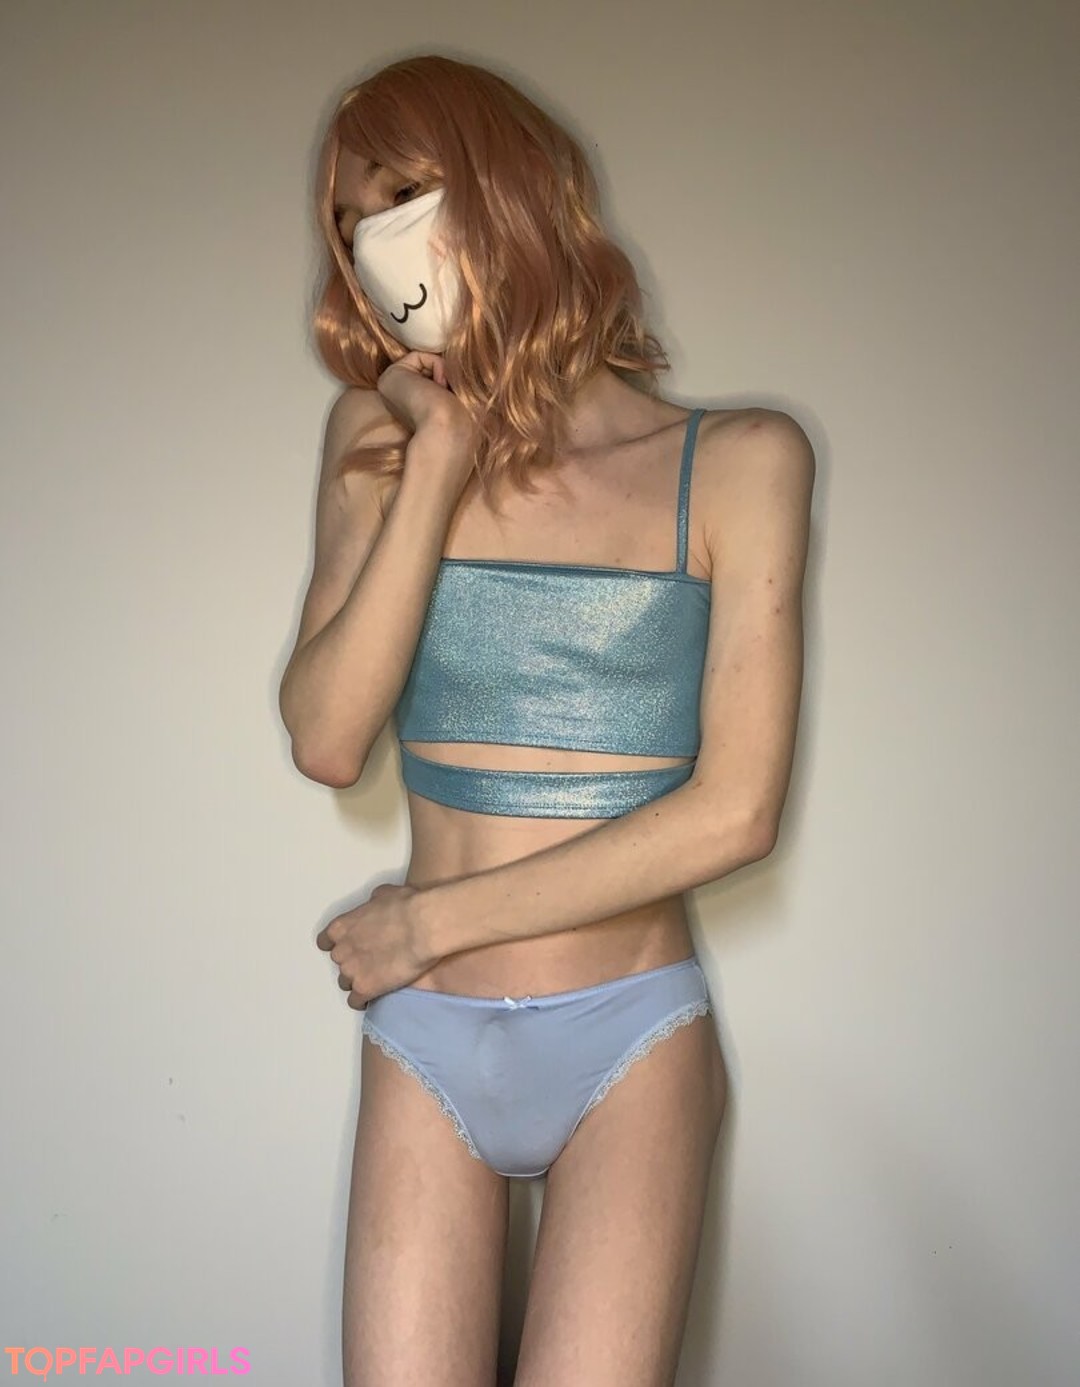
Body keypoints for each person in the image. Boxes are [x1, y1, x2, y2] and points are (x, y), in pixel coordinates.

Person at [279, 51, 814, 1387]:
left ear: (508, 191)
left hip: (628, 1034)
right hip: (428, 1035)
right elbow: (328, 739)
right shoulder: (373, 449)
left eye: (402, 195)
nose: (375, 245)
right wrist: (438, 465)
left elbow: (737, 813)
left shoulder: (738, 464)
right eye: (350, 222)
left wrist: (427, 924)